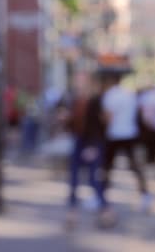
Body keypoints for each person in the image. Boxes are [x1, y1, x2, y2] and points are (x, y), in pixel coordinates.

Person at [100, 67, 152, 212]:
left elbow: (108, 118)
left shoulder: (109, 95)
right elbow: (139, 113)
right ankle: (145, 195)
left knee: (106, 167)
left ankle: (102, 196)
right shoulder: (130, 94)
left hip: (114, 134)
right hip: (130, 133)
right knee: (136, 167)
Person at [66, 75, 112, 229]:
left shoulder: (96, 101)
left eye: (81, 83)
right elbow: (74, 124)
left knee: (94, 178)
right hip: (80, 140)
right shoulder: (75, 101)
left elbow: (99, 125)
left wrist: (93, 146)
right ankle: (72, 213)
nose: (79, 86)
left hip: (93, 142)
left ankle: (105, 212)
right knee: (74, 177)